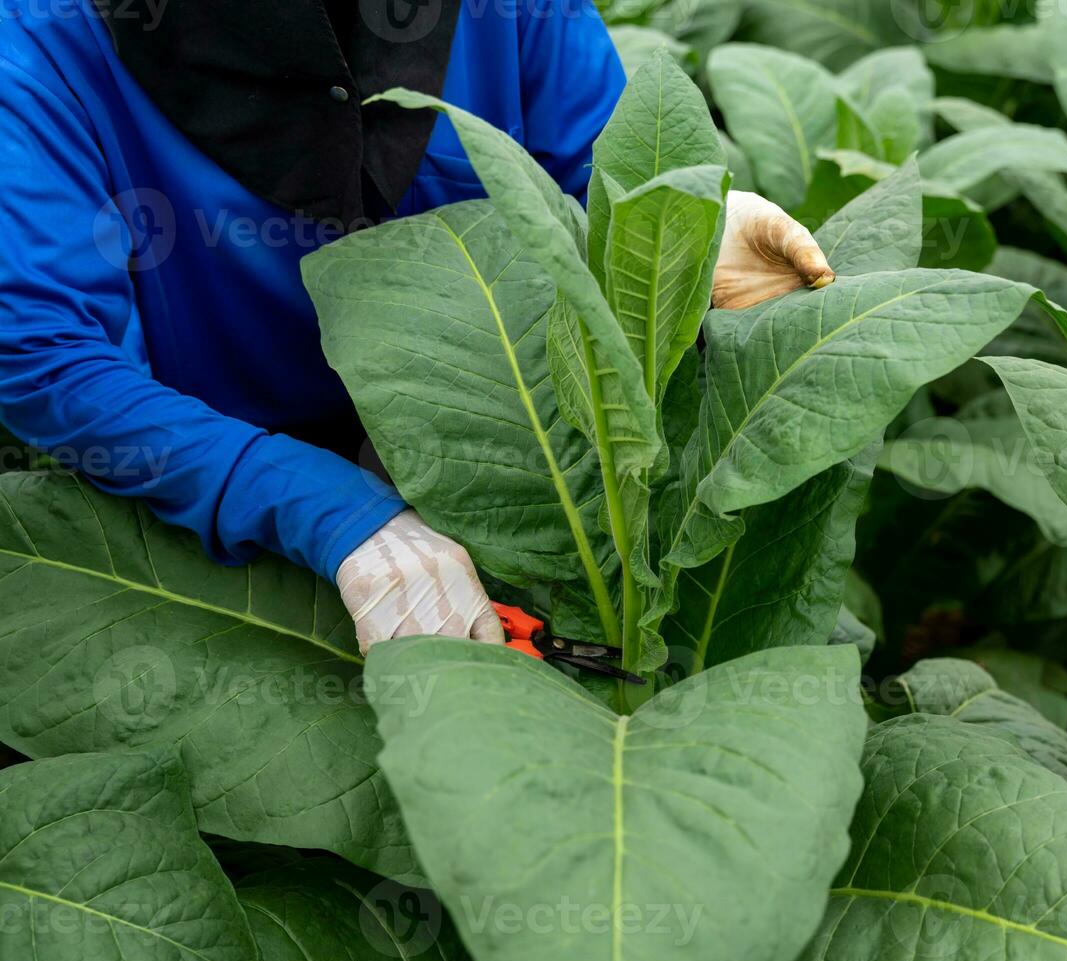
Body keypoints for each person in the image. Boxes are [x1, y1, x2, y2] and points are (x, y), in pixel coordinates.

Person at [0, 0, 835, 652]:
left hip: (530, 459)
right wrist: (329, 511)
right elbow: (45, 353)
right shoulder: (40, 38)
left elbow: (595, 164)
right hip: (229, 491)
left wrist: (690, 232)